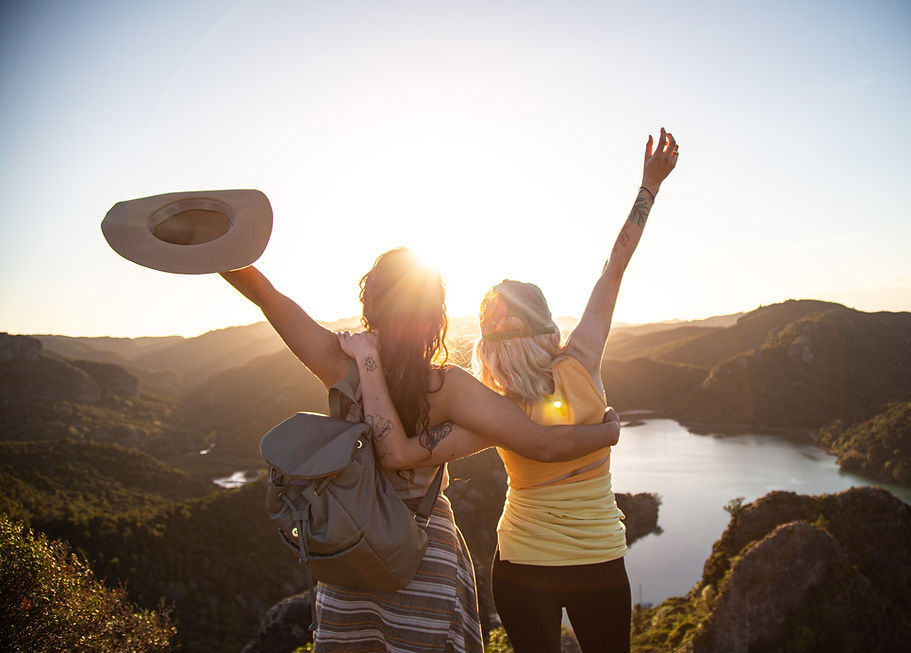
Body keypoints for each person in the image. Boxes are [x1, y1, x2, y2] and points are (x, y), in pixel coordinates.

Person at [339, 127, 679, 652]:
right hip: (568, 563)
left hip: (547, 563)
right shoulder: (556, 379)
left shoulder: (508, 401)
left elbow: (401, 454)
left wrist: (369, 363)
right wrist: (648, 186)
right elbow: (616, 264)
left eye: (496, 322)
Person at [219, 248, 620, 652]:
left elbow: (265, 295)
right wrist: (606, 433)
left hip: (350, 546)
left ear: (370, 304)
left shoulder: (340, 362)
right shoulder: (450, 386)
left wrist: (211, 246)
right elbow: (539, 441)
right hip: (425, 552)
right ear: (436, 318)